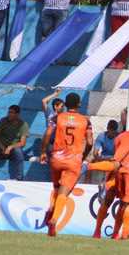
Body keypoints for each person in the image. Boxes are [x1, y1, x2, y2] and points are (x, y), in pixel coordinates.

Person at [40, 93, 93, 236]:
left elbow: (47, 134)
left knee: (57, 189)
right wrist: (83, 155)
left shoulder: (57, 118)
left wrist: (43, 151)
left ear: (66, 104)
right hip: (73, 160)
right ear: (79, 105)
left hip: (56, 158)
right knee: (64, 192)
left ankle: (51, 208)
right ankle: (54, 220)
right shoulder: (86, 121)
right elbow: (89, 142)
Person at [0, 105, 29, 181]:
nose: (9, 114)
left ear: (17, 114)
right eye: (9, 112)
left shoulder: (23, 125)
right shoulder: (3, 120)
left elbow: (22, 143)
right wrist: (2, 147)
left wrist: (10, 147)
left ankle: (19, 179)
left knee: (18, 151)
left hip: (12, 152)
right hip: (1, 149)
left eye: (11, 112)